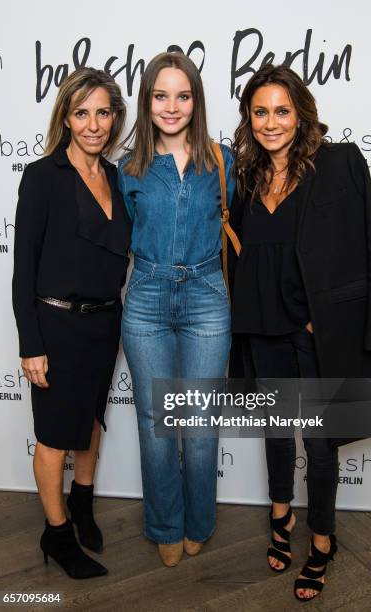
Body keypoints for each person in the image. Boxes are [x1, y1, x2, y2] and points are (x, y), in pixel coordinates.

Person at [228, 64, 371, 601]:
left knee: (320, 443)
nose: (271, 122)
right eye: (261, 112)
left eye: (282, 110)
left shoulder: (340, 162)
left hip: (316, 333)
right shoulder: (246, 176)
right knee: (277, 432)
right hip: (261, 328)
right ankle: (280, 514)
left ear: (301, 114)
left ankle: (322, 539)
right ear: (249, 118)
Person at [12, 67, 130, 579]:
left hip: (106, 325)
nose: (93, 124)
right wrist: (31, 343)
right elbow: (23, 268)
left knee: (92, 421)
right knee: (55, 436)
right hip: (56, 327)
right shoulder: (43, 176)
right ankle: (56, 533)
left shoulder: (119, 177)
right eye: (82, 113)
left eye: (103, 112)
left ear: (115, 118)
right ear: (66, 116)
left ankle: (81, 503)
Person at [118, 52, 234, 567]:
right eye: (160, 96)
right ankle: (165, 524)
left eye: (182, 96)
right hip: (145, 298)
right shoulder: (129, 167)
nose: (171, 107)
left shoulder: (221, 159)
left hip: (207, 296)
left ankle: (200, 522)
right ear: (146, 102)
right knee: (157, 422)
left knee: (202, 422)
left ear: (196, 100)